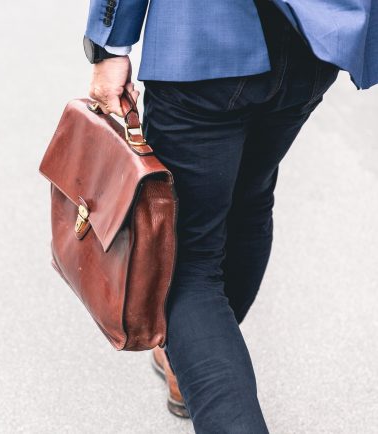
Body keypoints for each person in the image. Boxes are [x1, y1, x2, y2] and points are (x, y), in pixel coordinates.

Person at [83, 0, 377, 432]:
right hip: (309, 45)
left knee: (185, 261)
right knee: (250, 199)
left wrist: (109, 46)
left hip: (203, 44)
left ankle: (198, 352)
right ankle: (194, 355)